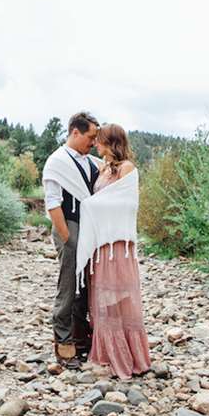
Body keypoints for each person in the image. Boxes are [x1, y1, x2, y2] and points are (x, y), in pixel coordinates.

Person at [77, 123, 151, 379]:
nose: (96, 144)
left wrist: (91, 206)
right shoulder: (104, 168)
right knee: (101, 298)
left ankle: (127, 354)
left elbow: (128, 203)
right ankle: (106, 352)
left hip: (117, 244)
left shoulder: (127, 168)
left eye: (100, 140)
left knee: (119, 296)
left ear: (111, 142)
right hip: (101, 245)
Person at [42, 112, 100, 369]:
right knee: (68, 284)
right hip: (69, 225)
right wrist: (67, 237)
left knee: (85, 285)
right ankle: (63, 341)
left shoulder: (92, 163)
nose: (94, 142)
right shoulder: (57, 162)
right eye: (90, 137)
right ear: (75, 132)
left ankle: (80, 336)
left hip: (89, 228)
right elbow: (52, 202)